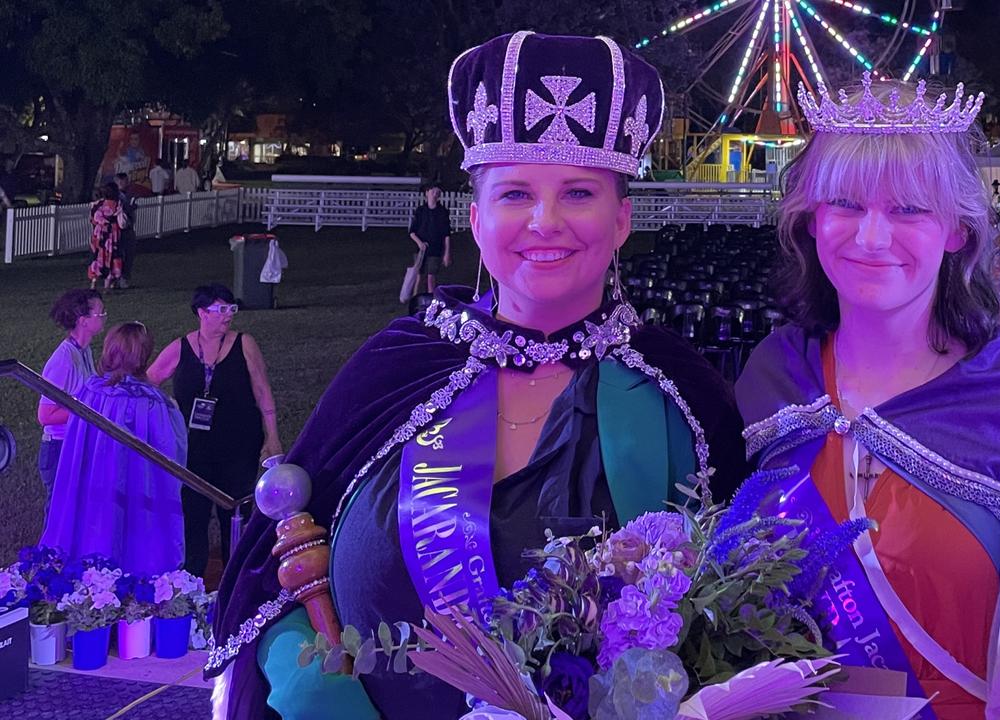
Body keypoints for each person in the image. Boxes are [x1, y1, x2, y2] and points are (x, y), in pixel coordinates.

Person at [206, 32, 746, 720]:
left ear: (622, 220)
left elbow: (735, 627)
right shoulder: (394, 368)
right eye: (515, 193)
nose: (545, 222)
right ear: (477, 217)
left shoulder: (685, 396)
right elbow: (269, 586)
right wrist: (316, 694)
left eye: (578, 192)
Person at [737, 73, 1000, 719]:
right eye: (845, 204)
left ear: (957, 229)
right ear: (810, 219)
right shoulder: (773, 376)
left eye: (908, 209)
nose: (870, 237)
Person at [147, 284, 283, 578]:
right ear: (201, 312)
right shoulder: (180, 347)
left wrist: (273, 437)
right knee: (193, 516)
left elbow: (262, 390)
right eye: (221, 310)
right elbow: (148, 384)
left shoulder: (244, 343)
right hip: (193, 451)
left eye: (231, 309)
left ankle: (235, 581)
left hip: (239, 447)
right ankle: (191, 583)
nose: (228, 317)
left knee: (234, 516)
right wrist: (165, 413)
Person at [40, 322, 187, 576]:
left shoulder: (88, 393)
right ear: (144, 355)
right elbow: (171, 454)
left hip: (92, 485)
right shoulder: (153, 403)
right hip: (136, 488)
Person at [37, 289, 105, 498]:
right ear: (83, 320)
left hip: (78, 443)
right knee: (59, 517)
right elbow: (45, 416)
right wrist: (87, 409)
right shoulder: (63, 360)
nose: (104, 317)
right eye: (100, 313)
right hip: (60, 449)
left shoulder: (85, 351)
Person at [409, 185, 452, 295]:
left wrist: (447, 253)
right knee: (419, 275)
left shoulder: (442, 212)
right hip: (421, 250)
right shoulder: (420, 211)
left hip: (435, 248)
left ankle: (430, 300)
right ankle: (416, 299)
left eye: (438, 192)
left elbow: (446, 234)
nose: (435, 194)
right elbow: (412, 231)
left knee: (431, 276)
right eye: (433, 191)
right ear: (427, 193)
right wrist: (419, 243)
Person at [88, 183, 128, 290]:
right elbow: (122, 223)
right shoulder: (117, 204)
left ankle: (94, 282)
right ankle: (109, 283)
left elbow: (93, 219)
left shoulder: (97, 204)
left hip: (99, 234)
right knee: (112, 256)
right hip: (112, 235)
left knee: (97, 256)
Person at [114, 172, 138, 289]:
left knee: (129, 254)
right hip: (119, 230)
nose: (126, 183)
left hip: (128, 229)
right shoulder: (116, 197)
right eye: (123, 181)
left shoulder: (128, 195)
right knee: (120, 254)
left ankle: (123, 277)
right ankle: (119, 278)